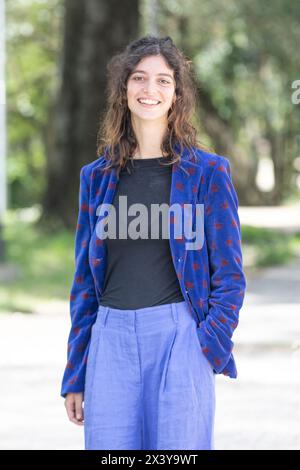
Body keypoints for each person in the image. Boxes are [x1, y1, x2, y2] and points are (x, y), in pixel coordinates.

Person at [60, 35, 246, 450]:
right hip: (110, 341)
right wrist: (75, 372)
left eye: (164, 80)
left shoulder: (208, 173)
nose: (150, 90)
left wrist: (208, 344)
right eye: (140, 78)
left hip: (180, 337)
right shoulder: (97, 177)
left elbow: (230, 275)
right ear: (124, 89)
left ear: (177, 93)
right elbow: (84, 285)